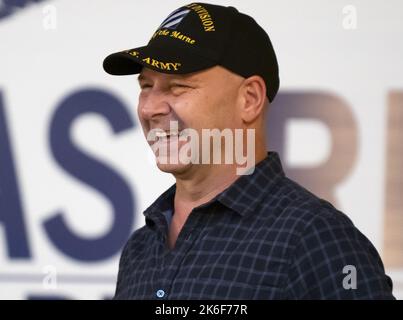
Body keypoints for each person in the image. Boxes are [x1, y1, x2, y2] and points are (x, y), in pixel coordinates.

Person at [103, 2, 394, 299]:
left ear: (250, 99)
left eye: (178, 86)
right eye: (146, 86)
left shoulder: (315, 237)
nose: (150, 107)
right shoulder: (139, 248)